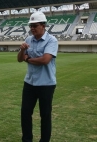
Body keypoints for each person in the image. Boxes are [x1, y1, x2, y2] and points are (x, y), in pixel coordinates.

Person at [17, 11, 58, 142]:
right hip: (30, 82)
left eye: (35, 25)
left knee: (45, 115)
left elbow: (45, 60)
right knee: (25, 113)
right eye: (31, 26)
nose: (32, 28)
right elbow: (19, 59)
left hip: (46, 84)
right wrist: (22, 50)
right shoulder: (28, 40)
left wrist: (28, 59)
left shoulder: (52, 40)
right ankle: (27, 139)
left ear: (43, 25)